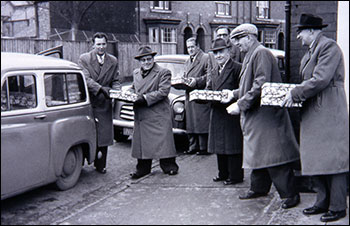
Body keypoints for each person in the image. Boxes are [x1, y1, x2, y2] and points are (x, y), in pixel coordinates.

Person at [222, 23, 300, 209]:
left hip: (266, 116)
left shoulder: (261, 53)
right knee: (258, 153)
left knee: (273, 156)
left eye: (239, 39)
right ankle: (259, 188)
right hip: (260, 115)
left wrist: (240, 105)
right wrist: (233, 94)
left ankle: (290, 195)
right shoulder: (252, 54)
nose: (236, 44)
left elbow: (260, 84)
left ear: (249, 37)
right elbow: (250, 84)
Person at [282, 13, 349, 222]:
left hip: (328, 109)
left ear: (312, 30)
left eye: (301, 32)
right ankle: (322, 201)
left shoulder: (329, 47)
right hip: (316, 109)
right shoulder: (311, 51)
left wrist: (294, 93)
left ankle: (338, 206)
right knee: (316, 157)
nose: (299, 37)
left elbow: (320, 79)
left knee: (334, 160)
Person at [128, 45, 179, 179]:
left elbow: (163, 92)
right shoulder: (136, 73)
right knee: (142, 143)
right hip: (142, 114)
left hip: (157, 113)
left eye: (149, 59)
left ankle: (169, 166)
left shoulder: (163, 72)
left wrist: (144, 98)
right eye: (143, 60)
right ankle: (143, 168)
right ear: (139, 61)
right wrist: (128, 94)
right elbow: (133, 88)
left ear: (153, 59)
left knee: (163, 142)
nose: (146, 62)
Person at [78, 32, 121, 174]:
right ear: (93, 44)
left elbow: (115, 80)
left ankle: (101, 164)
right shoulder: (84, 59)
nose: (101, 47)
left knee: (104, 135)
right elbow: (86, 79)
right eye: (98, 44)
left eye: (103, 44)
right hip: (90, 101)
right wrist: (101, 89)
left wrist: (116, 92)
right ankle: (84, 162)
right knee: (89, 132)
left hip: (105, 102)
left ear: (106, 44)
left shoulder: (113, 61)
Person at [206, 38, 244, 185]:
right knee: (219, 144)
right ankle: (222, 173)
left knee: (232, 144)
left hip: (231, 112)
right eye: (215, 53)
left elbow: (243, 90)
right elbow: (209, 88)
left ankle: (235, 176)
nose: (218, 56)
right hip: (216, 111)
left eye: (221, 52)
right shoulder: (214, 70)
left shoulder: (237, 68)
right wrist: (203, 96)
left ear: (229, 51)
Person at [183, 37, 211, 155]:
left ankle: (203, 148)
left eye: (192, 47)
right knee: (191, 122)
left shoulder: (206, 58)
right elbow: (185, 75)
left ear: (198, 46)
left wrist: (197, 81)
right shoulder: (187, 61)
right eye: (188, 47)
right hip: (189, 95)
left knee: (201, 122)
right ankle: (193, 146)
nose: (190, 50)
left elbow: (209, 76)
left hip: (200, 95)